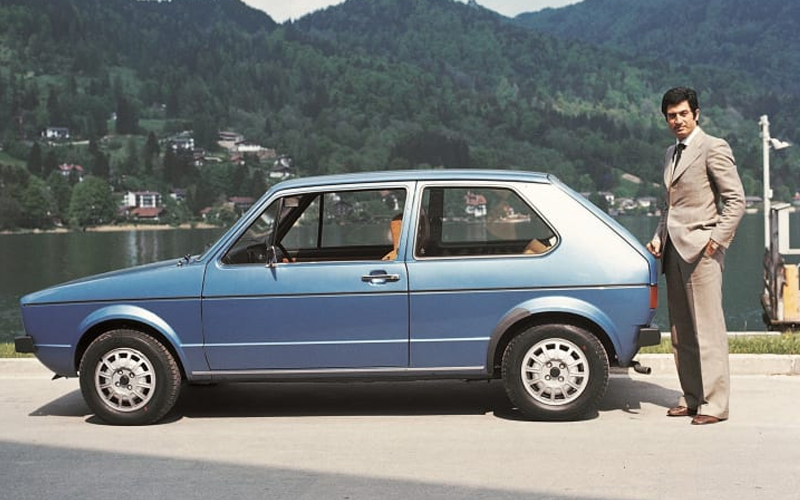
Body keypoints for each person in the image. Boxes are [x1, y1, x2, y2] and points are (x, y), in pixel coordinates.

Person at [646, 87, 745, 425]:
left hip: (703, 251)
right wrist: (659, 237)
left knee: (708, 330)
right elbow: (668, 206)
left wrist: (716, 241)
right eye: (671, 116)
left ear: (696, 113)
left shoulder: (713, 147)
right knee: (681, 332)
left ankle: (715, 405)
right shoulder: (669, 153)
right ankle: (691, 398)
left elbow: (736, 201)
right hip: (673, 251)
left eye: (683, 114)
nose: (677, 120)